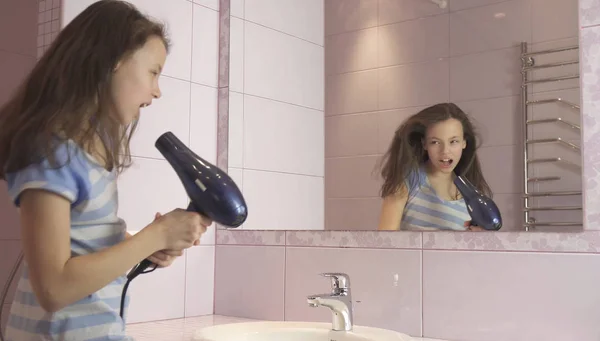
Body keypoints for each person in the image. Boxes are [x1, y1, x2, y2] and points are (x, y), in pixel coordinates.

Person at [0, 1, 212, 340]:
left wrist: (144, 245)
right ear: (113, 60)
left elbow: (81, 244)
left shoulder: (90, 156)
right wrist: (154, 236)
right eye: (153, 72)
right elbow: (53, 289)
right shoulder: (53, 153)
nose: (157, 90)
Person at [376, 103, 492, 231]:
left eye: (453, 141)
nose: (445, 151)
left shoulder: (471, 194)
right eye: (435, 142)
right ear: (424, 144)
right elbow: (386, 240)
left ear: (464, 142)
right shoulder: (408, 180)